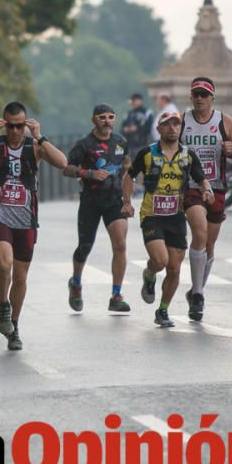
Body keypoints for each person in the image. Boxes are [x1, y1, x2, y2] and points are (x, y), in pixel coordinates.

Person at [0, 102, 67, 350]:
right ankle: (4, 305)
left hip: (26, 220)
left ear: (26, 125)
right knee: (4, 263)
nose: (16, 131)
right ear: (4, 124)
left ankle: (14, 326)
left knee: (20, 276)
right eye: (11, 126)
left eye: (20, 126)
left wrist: (40, 136)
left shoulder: (35, 147)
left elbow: (62, 162)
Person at [131, 110, 213, 328]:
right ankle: (149, 275)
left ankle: (163, 310)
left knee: (174, 269)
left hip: (176, 216)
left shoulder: (188, 155)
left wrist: (207, 190)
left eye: (176, 124)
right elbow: (128, 176)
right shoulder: (147, 153)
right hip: (152, 215)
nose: (172, 128)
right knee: (160, 261)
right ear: (159, 129)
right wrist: (125, 201)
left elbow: (201, 179)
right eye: (167, 124)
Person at [180, 78, 232, 322]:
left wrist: (231, 151)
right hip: (191, 186)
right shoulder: (182, 120)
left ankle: (196, 290)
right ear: (190, 97)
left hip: (217, 186)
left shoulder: (224, 121)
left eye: (204, 95)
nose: (199, 99)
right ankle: (198, 296)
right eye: (195, 94)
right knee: (199, 230)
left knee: (209, 243)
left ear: (212, 98)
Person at [62, 103, 134, 314]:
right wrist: (88, 174)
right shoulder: (84, 144)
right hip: (90, 200)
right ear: (94, 120)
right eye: (102, 117)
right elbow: (66, 168)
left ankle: (116, 295)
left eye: (111, 117)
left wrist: (128, 201)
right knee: (85, 246)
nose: (107, 121)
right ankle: (75, 283)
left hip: (114, 200)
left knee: (120, 245)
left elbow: (128, 171)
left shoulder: (121, 142)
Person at [121, 93, 153, 158]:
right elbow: (122, 128)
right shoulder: (128, 113)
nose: (133, 103)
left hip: (142, 144)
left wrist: (137, 129)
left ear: (140, 100)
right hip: (129, 145)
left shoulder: (147, 112)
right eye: (132, 101)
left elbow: (149, 128)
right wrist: (127, 129)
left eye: (134, 100)